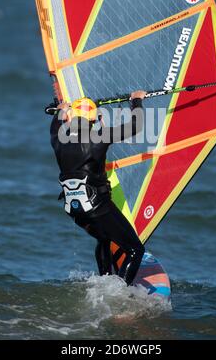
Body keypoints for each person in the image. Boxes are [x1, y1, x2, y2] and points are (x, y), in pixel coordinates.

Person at [50, 91, 146, 286]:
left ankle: (105, 281)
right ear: (95, 119)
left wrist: (60, 110)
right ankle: (119, 295)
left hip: (75, 211)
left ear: (71, 118)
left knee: (103, 238)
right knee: (136, 250)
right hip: (97, 207)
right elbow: (136, 126)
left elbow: (56, 124)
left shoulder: (57, 139)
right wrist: (136, 100)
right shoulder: (99, 137)